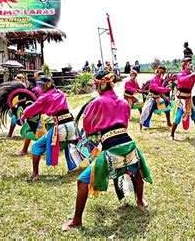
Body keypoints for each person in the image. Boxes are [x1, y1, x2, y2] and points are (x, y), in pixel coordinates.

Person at [62, 70, 152, 231]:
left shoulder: (97, 103)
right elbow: (123, 124)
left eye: (95, 85)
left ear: (99, 84)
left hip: (111, 148)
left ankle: (77, 220)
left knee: (82, 182)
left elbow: (88, 127)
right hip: (129, 144)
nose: (95, 88)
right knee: (136, 171)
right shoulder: (124, 102)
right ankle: (140, 201)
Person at [20, 76, 81, 181]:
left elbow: (32, 109)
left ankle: (35, 173)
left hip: (60, 127)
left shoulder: (44, 98)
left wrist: (23, 116)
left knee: (36, 146)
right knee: (72, 144)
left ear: (46, 85)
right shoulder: (60, 93)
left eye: (40, 85)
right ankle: (80, 165)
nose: (39, 87)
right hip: (72, 126)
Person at [169, 58, 195, 140]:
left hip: (188, 99)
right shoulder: (181, 73)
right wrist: (192, 75)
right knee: (177, 118)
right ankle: (171, 135)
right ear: (185, 66)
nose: (191, 65)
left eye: (191, 64)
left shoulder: (192, 74)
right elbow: (181, 80)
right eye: (189, 64)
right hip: (181, 100)